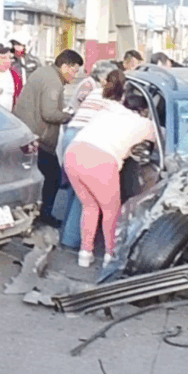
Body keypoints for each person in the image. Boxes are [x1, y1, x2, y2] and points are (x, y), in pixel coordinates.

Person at [64, 92, 156, 268]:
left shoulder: (107, 110)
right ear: (144, 111)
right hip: (101, 160)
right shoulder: (144, 124)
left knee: (90, 207)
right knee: (111, 212)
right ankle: (110, 255)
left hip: (73, 154)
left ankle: (85, 253)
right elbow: (163, 139)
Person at [55, 63, 124, 249]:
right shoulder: (114, 103)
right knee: (85, 196)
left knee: (74, 187)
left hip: (71, 134)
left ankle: (65, 232)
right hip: (83, 139)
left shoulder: (95, 93)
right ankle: (71, 239)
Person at [13, 49, 84, 226]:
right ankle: (42, 216)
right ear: (64, 66)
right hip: (38, 138)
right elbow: (50, 113)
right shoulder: (54, 82)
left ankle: (35, 214)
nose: (75, 76)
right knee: (53, 177)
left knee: (38, 178)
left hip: (27, 133)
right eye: (74, 70)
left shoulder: (44, 72)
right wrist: (69, 116)